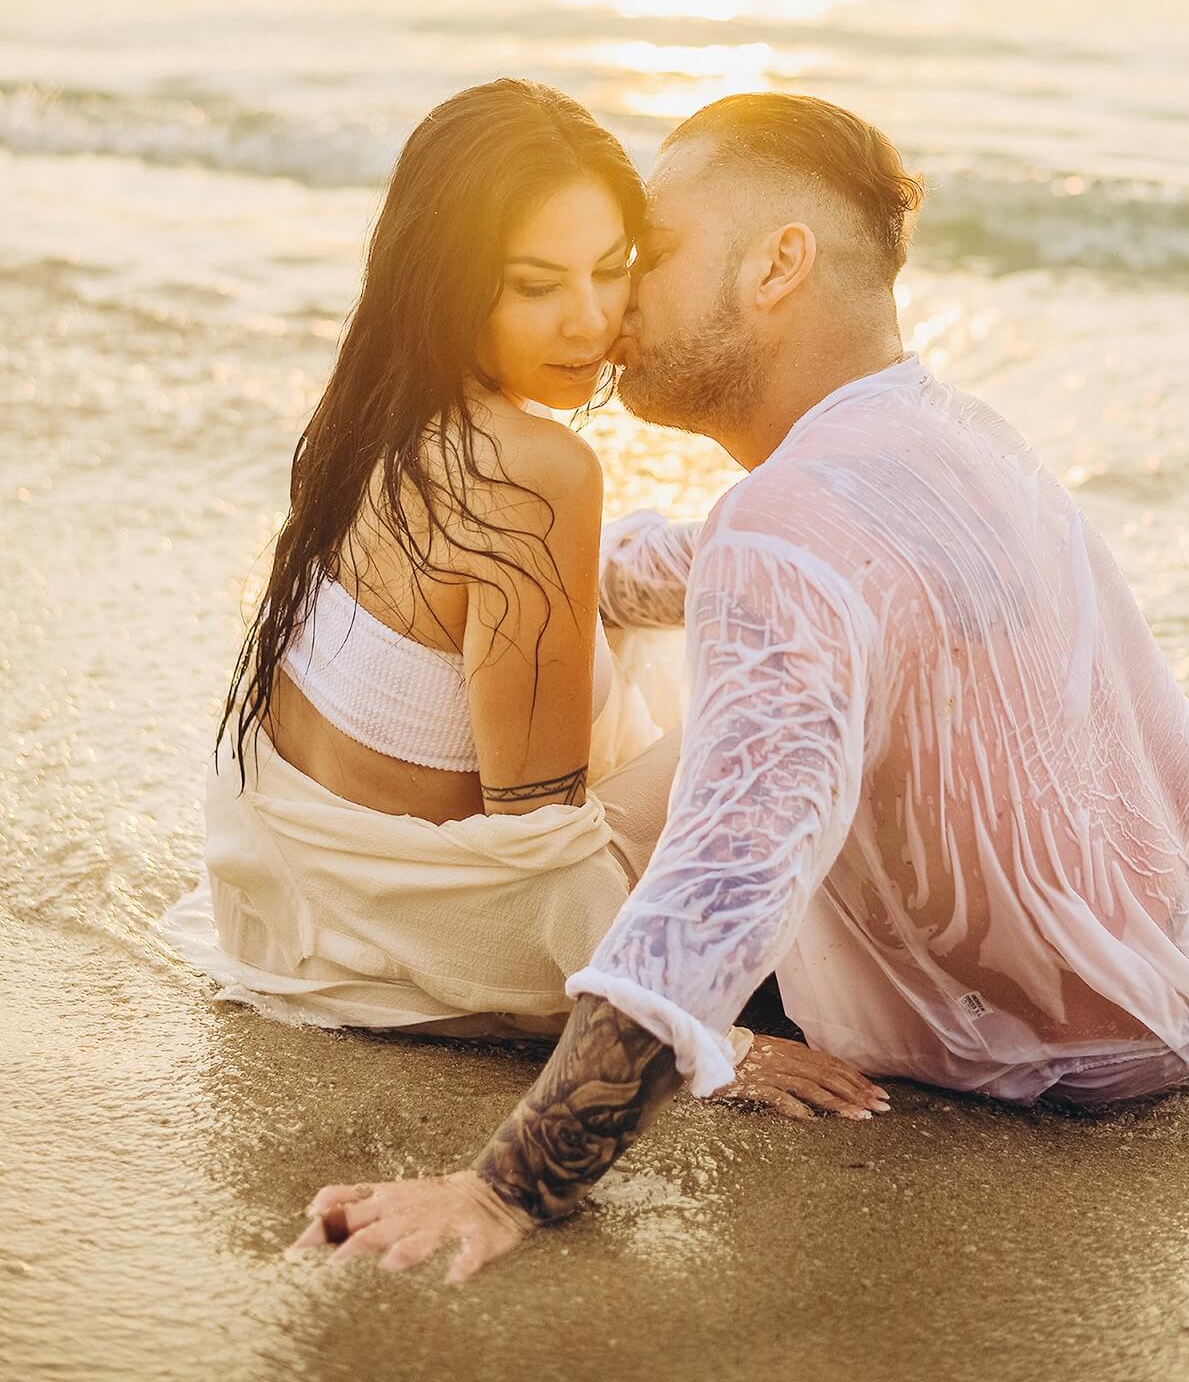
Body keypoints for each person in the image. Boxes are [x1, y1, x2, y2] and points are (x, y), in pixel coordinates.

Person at [288, 88, 1189, 1281]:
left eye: (653, 255)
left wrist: (506, 1186)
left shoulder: (784, 542)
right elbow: (727, 557)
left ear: (777, 264)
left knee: (689, 787)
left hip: (1066, 1038)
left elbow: (723, 874)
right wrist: (518, 564)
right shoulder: (945, 428)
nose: (617, 303)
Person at [163, 79, 883, 1120]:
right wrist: (694, 1033)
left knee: (686, 642)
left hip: (302, 908)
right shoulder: (536, 470)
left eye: (610, 269)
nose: (589, 320)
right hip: (440, 941)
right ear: (446, 282)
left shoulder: (375, 414)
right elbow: (542, 865)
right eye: (535, 283)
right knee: (821, 682)